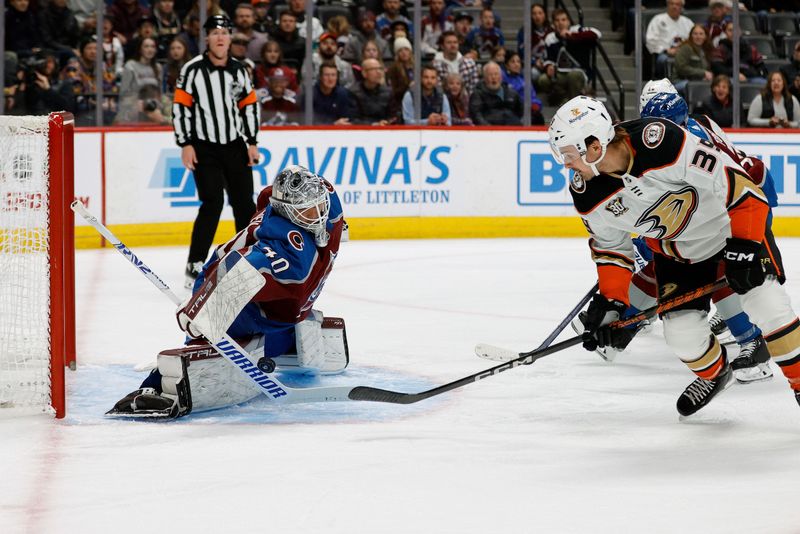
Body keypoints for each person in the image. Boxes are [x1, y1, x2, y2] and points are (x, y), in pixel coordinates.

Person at [549, 95, 800, 416]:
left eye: (568, 155)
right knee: (683, 337)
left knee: (768, 305)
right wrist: (612, 303)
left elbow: (741, 188)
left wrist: (746, 246)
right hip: (679, 253)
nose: (565, 164)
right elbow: (611, 248)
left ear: (594, 145)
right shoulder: (587, 194)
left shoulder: (661, 141)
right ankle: (716, 373)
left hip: (731, 228)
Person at [107, 167, 349, 418]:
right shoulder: (283, 246)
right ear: (287, 211)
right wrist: (198, 310)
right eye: (307, 211)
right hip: (227, 288)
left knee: (281, 315)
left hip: (281, 304)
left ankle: (285, 338)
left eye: (319, 207)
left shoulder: (326, 195)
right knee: (209, 330)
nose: (318, 216)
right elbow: (233, 268)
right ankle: (155, 386)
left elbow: (268, 195)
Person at [636, 89, 779, 384]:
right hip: (737, 202)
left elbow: (737, 184)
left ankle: (754, 342)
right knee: (685, 265)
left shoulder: (690, 150)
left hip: (745, 208)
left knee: (727, 273)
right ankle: (627, 320)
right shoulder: (689, 134)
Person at [172, 15, 260, 288]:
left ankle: (247, 260)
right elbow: (180, 108)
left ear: (231, 37)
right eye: (215, 32)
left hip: (234, 145)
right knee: (212, 203)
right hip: (204, 147)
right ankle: (195, 263)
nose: (220, 37)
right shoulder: (192, 69)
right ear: (207, 38)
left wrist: (252, 141)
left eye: (224, 31)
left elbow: (250, 106)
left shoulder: (239, 71)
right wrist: (185, 143)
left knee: (245, 203)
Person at [645, 0, 693, 78]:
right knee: (663, 60)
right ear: (667, 5)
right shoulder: (658, 20)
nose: (674, 6)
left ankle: (686, 84)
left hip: (684, 54)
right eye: (671, 4)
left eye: (677, 4)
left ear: (681, 7)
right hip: (664, 53)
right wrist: (666, 50)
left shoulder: (688, 22)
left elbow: (693, 40)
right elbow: (650, 40)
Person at [469, 61, 523, 126]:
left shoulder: (511, 92)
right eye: (490, 75)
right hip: (490, 132)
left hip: (512, 131)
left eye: (496, 74)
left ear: (501, 77)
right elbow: (476, 116)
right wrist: (491, 130)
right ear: (484, 78)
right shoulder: (477, 95)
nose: (493, 77)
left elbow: (520, 112)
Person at [502, 51, 544, 125]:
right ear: (507, 65)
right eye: (513, 62)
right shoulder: (503, 79)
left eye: (518, 61)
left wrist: (536, 104)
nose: (516, 64)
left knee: (538, 117)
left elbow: (533, 97)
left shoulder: (525, 80)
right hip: (512, 112)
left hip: (527, 111)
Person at [433, 30, 479, 95]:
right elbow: (437, 89)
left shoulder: (469, 63)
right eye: (449, 42)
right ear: (442, 46)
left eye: (455, 42)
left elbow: (474, 89)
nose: (453, 45)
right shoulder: (435, 65)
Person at [349, 58, 393, 125]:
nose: (378, 72)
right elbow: (352, 119)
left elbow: (393, 115)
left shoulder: (388, 91)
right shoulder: (353, 92)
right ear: (364, 73)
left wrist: (387, 122)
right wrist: (373, 124)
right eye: (374, 69)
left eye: (380, 69)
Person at [673, 24, 714, 94]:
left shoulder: (707, 50)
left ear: (705, 36)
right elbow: (682, 68)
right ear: (691, 36)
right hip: (682, 81)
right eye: (695, 34)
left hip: (699, 81)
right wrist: (703, 73)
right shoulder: (685, 48)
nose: (698, 36)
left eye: (701, 34)